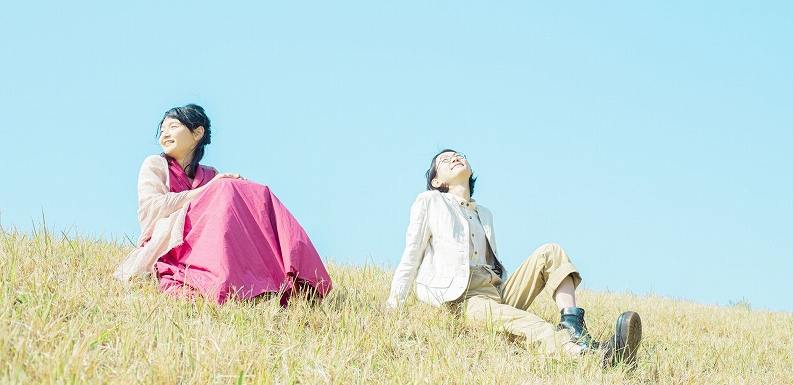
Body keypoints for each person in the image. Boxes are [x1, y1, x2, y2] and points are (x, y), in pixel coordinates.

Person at [387, 149, 641, 365]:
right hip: (464, 299)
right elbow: (411, 255)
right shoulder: (430, 201)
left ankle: (572, 324)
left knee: (550, 252)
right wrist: (394, 307)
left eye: (458, 155)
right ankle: (594, 358)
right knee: (533, 324)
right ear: (436, 181)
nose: (454, 158)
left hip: (496, 291)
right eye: (445, 160)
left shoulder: (484, 213)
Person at [114, 104, 331, 305]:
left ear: (197, 133)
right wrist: (209, 190)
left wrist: (241, 194)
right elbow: (151, 209)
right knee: (224, 187)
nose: (165, 135)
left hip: (209, 243)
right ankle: (221, 280)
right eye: (162, 131)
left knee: (253, 194)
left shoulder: (210, 174)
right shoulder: (156, 164)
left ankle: (286, 274)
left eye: (173, 127)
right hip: (171, 242)